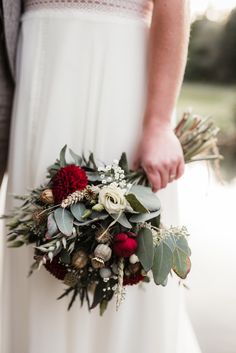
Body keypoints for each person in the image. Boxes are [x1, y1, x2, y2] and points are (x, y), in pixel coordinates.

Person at [0, 0, 201, 352]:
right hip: (38, 79)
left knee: (125, 253)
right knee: (37, 250)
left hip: (120, 79)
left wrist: (158, 121)